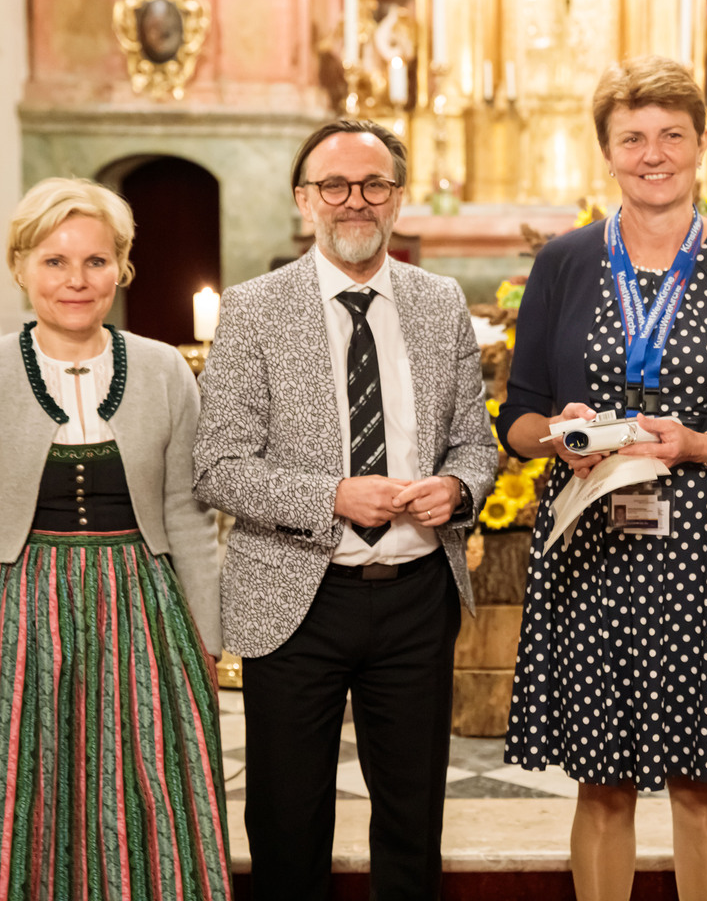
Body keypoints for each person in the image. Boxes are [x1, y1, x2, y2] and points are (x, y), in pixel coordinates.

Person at [498, 55, 707, 901]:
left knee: (702, 782)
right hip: (591, 542)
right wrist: (557, 438)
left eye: (672, 135)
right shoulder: (564, 263)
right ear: (606, 152)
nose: (653, 154)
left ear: (703, 145)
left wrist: (703, 445)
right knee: (601, 783)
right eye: (632, 137)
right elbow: (516, 416)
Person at [193, 119, 496, 901]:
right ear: (305, 199)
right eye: (334, 185)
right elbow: (218, 467)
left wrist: (458, 489)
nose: (355, 200)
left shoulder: (439, 302)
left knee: (412, 822)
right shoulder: (255, 308)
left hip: (417, 595)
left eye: (374, 184)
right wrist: (331, 496)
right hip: (297, 598)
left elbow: (475, 444)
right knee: (288, 823)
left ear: (398, 198)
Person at [0, 177, 230, 900]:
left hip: (144, 614)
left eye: (95, 261)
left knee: (146, 795)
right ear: (21, 266)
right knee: (18, 799)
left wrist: (207, 639)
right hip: (17, 615)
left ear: (121, 268)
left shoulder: (163, 369)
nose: (76, 280)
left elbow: (187, 514)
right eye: (54, 261)